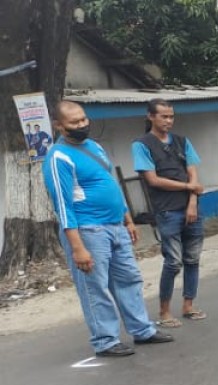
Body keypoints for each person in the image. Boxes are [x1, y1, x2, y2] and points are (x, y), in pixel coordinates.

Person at [42, 101, 174, 357]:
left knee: (129, 279)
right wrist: (77, 248)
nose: (82, 125)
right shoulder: (58, 157)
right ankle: (105, 340)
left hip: (115, 226)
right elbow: (63, 205)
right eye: (74, 123)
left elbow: (111, 182)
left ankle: (142, 330)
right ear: (59, 126)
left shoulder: (94, 146)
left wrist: (127, 219)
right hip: (88, 231)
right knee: (95, 287)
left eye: (83, 119)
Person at [132, 99, 208, 328]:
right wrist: (188, 188)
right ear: (150, 117)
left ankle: (188, 305)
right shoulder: (141, 145)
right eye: (163, 116)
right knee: (173, 262)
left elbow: (193, 172)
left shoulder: (183, 142)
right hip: (166, 210)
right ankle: (164, 311)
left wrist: (193, 200)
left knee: (192, 258)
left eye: (171, 116)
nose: (168, 121)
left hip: (191, 208)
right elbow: (153, 180)